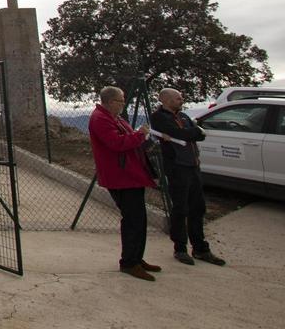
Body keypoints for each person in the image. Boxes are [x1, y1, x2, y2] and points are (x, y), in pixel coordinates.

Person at [88, 85, 161, 281]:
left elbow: (125, 139)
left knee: (139, 219)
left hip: (130, 175)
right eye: (121, 100)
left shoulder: (114, 118)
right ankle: (129, 262)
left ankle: (136, 257)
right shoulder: (100, 119)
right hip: (121, 177)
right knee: (132, 220)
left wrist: (137, 136)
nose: (123, 104)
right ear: (111, 101)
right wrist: (139, 135)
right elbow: (116, 143)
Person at [150, 88, 226, 266]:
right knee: (180, 208)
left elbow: (198, 135)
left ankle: (200, 248)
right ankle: (180, 248)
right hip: (177, 168)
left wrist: (189, 134)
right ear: (166, 100)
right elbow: (183, 134)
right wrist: (190, 133)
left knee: (197, 208)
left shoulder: (183, 116)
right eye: (178, 98)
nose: (181, 100)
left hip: (193, 166)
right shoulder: (160, 118)